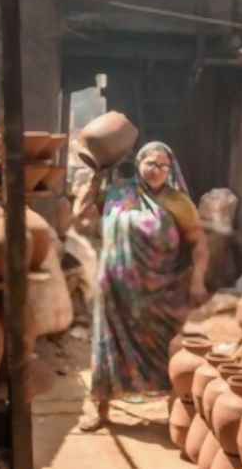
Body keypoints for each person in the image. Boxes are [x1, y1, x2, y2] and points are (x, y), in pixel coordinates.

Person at [76, 141, 209, 431]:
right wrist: (96, 177)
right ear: (138, 164)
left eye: (163, 165)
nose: (156, 170)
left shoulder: (179, 202)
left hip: (161, 292)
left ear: (170, 169)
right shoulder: (117, 192)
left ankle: (172, 409)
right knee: (107, 349)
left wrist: (198, 279)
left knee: (164, 349)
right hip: (115, 291)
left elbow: (198, 242)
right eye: (150, 163)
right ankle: (100, 409)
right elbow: (80, 214)